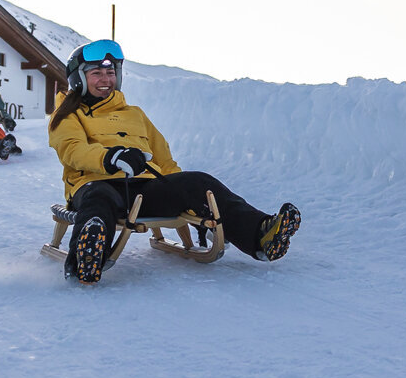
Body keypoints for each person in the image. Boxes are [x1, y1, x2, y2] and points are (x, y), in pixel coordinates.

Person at [48, 39, 301, 284]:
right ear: (79, 78)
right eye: (96, 73)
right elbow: (73, 150)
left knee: (198, 182)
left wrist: (190, 202)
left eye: (110, 72)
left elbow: (164, 160)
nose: (106, 79)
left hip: (144, 190)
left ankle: (261, 234)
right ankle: (88, 256)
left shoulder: (135, 114)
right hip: (95, 184)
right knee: (98, 199)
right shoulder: (67, 114)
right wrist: (110, 157)